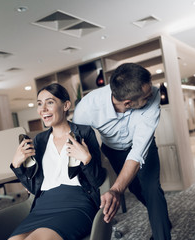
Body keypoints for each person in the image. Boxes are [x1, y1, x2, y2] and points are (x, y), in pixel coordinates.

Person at [73, 63, 171, 240]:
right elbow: (76, 145)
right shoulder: (87, 108)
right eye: (146, 98)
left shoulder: (153, 94)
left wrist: (116, 189)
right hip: (114, 151)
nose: (152, 96)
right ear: (128, 103)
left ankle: (161, 233)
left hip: (144, 147)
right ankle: (162, 219)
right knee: (135, 189)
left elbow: (138, 150)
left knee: (152, 190)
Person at [9, 83, 106, 240]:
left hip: (77, 203)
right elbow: (34, 188)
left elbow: (97, 180)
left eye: (50, 102)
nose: (43, 109)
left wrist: (86, 159)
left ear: (66, 105)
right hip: (43, 205)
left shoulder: (84, 132)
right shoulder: (39, 140)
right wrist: (17, 165)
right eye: (40, 104)